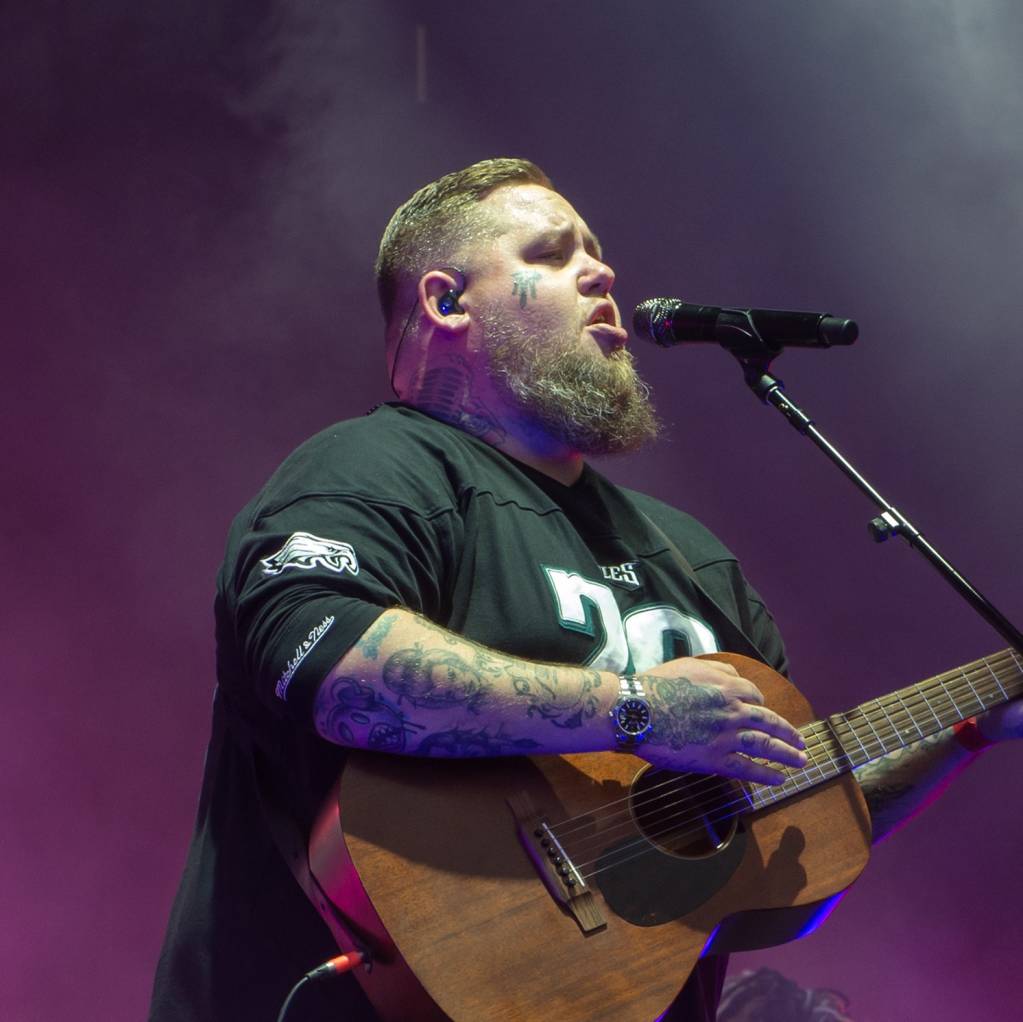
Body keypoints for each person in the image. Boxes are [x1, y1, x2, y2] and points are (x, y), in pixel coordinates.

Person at [148, 157, 1021, 1022]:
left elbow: (785, 817)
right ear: (446, 302)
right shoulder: (374, 471)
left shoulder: (691, 559)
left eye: (596, 253)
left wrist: (971, 725)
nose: (601, 272)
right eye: (552, 253)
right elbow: (334, 668)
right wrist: (637, 710)